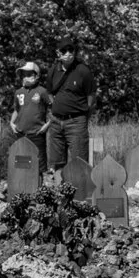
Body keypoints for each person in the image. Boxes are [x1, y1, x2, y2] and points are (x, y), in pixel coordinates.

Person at [46, 39, 96, 178]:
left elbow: (91, 94)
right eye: (64, 51)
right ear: (58, 53)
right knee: (57, 162)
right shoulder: (53, 70)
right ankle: (60, 192)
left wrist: (85, 114)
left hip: (76, 121)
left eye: (71, 50)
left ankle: (79, 195)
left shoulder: (82, 70)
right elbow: (49, 91)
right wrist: (52, 105)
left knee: (79, 160)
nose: (68, 54)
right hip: (56, 121)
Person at [9, 61, 53, 181]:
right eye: (23, 75)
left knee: (38, 164)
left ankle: (38, 190)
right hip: (21, 133)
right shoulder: (18, 92)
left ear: (37, 75)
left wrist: (47, 125)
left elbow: (52, 109)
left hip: (37, 133)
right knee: (22, 162)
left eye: (29, 74)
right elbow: (16, 110)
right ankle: (23, 189)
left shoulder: (42, 91)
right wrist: (11, 123)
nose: (26, 77)